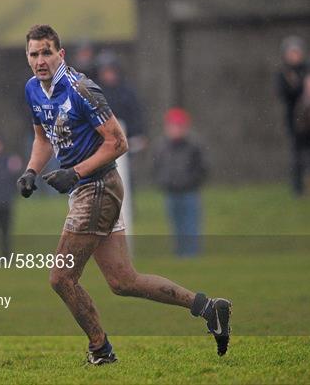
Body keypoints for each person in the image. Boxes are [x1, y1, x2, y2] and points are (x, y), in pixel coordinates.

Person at [17, 24, 232, 365]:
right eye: (34, 53)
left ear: (61, 54)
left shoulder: (82, 89)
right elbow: (43, 139)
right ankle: (208, 308)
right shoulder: (32, 89)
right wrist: (31, 171)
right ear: (27, 57)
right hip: (89, 190)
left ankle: (101, 351)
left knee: (60, 277)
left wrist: (75, 172)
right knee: (122, 281)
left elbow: (118, 143)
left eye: (47, 52)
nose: (40, 60)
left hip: (99, 187)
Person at [153, 108, 207, 256]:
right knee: (176, 225)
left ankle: (192, 254)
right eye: (172, 125)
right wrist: (163, 181)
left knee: (190, 225)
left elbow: (202, 168)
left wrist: (191, 182)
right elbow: (157, 166)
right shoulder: (161, 146)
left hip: (189, 192)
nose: (175, 129)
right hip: (171, 192)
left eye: (178, 126)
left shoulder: (194, 145)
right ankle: (179, 253)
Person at [276, 36, 310, 196]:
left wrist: (299, 87)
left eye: (296, 52)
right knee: (296, 156)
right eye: (291, 52)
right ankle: (298, 189)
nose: (294, 56)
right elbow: (285, 94)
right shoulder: (283, 73)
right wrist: (299, 88)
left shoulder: (309, 70)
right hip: (294, 119)